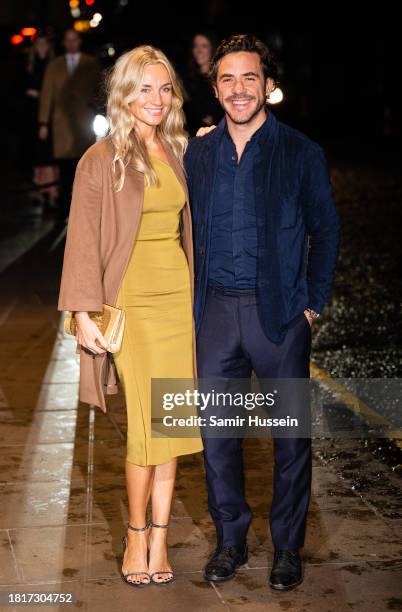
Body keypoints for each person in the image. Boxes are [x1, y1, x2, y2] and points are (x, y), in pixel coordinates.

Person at [185, 34, 340, 591]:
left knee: (290, 440)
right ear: (217, 88)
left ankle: (287, 549)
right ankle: (230, 542)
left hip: (279, 318)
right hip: (217, 316)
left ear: (268, 86)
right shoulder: (197, 154)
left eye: (250, 77)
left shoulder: (300, 152)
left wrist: (312, 304)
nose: (239, 88)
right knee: (218, 435)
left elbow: (325, 229)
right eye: (227, 79)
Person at [57, 45, 203, 587]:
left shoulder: (179, 151)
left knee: (172, 424)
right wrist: (82, 313)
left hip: (177, 303)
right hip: (132, 307)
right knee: (147, 426)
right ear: (124, 93)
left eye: (165, 88)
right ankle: (137, 534)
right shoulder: (100, 160)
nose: (156, 99)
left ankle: (160, 537)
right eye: (144, 88)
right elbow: (82, 244)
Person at [38, 28, 101, 218]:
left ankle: (87, 209)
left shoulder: (91, 63)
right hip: (62, 123)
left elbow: (100, 90)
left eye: (75, 40)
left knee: (85, 165)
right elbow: (47, 94)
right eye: (68, 40)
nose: (71, 43)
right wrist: (43, 122)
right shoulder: (55, 65)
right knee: (65, 169)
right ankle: (64, 209)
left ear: (79, 41)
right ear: (64, 43)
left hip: (84, 122)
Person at [24, 34, 59, 213]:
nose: (42, 47)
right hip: (32, 115)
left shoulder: (54, 65)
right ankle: (41, 192)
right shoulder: (30, 66)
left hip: (51, 116)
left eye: (45, 43)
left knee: (50, 153)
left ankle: (52, 193)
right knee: (38, 153)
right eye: (39, 44)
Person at [182, 32, 223, 135]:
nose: (199, 50)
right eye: (196, 46)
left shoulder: (221, 78)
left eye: (204, 46)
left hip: (215, 134)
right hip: (190, 135)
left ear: (212, 49)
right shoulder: (187, 79)